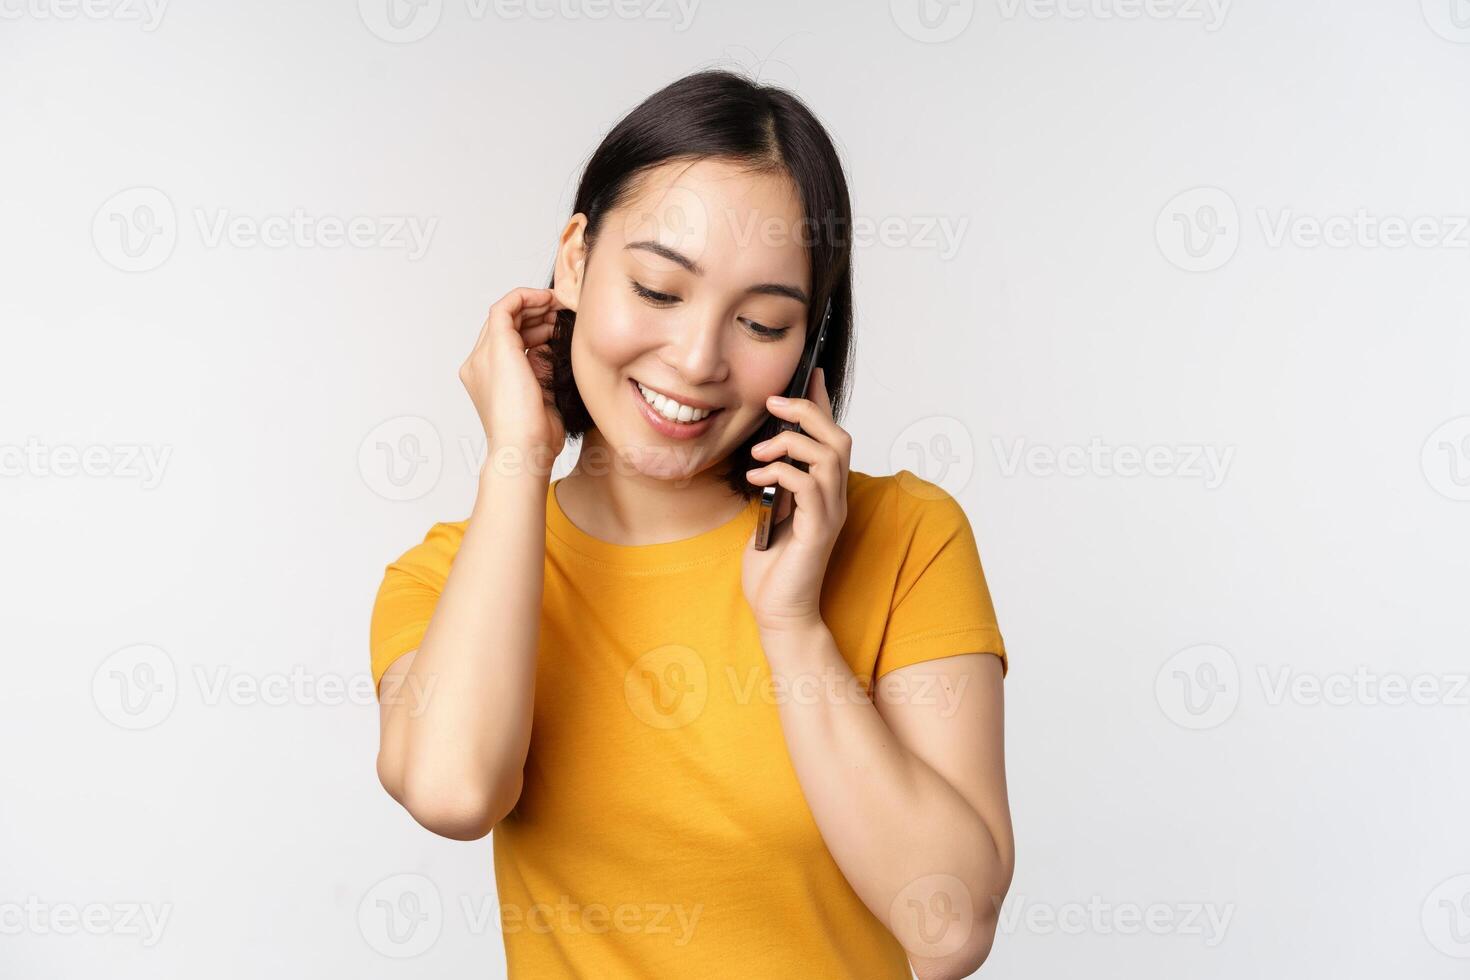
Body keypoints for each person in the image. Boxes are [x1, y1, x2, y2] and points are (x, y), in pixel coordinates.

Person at [369, 68, 1013, 979]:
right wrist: (518, 452)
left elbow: (949, 931)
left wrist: (792, 627)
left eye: (760, 321)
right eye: (660, 291)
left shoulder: (906, 536)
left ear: (809, 341)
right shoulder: (455, 579)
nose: (699, 358)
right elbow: (452, 790)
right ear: (575, 261)